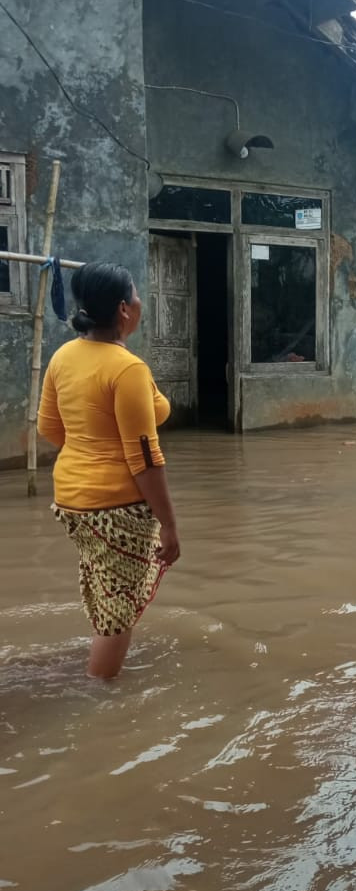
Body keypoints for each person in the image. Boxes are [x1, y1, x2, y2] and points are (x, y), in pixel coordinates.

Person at [38, 262, 181, 678]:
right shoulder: (126, 369)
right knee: (118, 611)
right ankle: (99, 695)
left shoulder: (65, 356)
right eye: (136, 296)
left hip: (71, 499)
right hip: (117, 506)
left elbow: (50, 428)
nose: (140, 303)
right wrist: (169, 525)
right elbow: (145, 458)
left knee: (106, 589)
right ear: (123, 309)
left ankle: (97, 665)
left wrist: (91, 454)